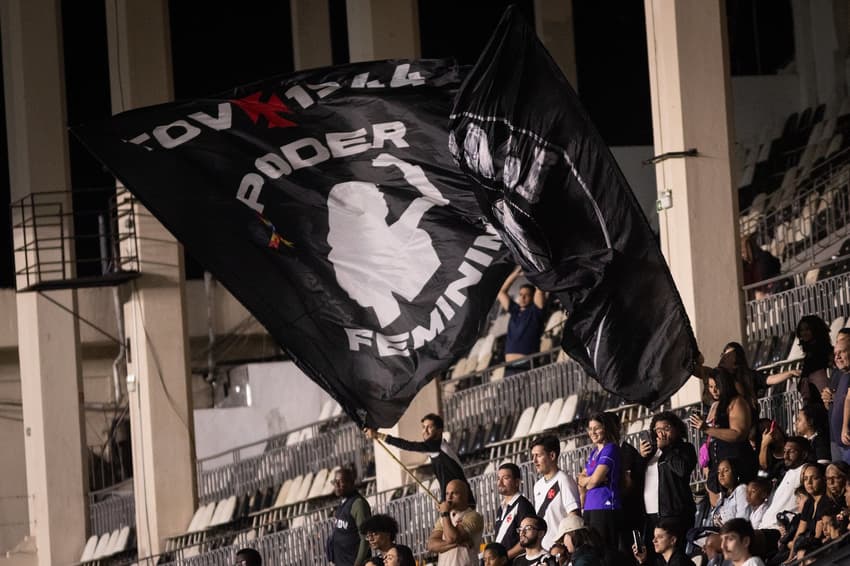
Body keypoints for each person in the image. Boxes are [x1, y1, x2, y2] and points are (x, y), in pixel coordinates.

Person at [690, 367, 757, 507]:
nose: (713, 391)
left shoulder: (736, 402)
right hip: (715, 467)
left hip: (735, 464)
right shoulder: (714, 405)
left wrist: (707, 429)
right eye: (710, 386)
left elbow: (739, 433)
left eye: (717, 387)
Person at [364, 413, 467, 501]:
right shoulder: (439, 445)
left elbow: (408, 445)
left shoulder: (436, 446)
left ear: (439, 431)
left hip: (460, 500)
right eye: (423, 427)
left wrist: (378, 435)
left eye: (430, 427)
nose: (425, 431)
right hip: (454, 497)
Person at [640, 412, 697, 541]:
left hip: (674, 513)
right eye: (658, 430)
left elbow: (682, 470)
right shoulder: (652, 453)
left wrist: (666, 449)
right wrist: (641, 458)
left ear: (676, 429)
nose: (662, 433)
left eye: (666, 428)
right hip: (650, 514)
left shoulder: (685, 448)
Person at [577, 412, 621, 546]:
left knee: (604, 551)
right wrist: (588, 481)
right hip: (590, 507)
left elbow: (594, 481)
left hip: (605, 506)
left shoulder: (611, 449)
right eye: (590, 429)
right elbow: (581, 479)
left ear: (606, 428)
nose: (593, 432)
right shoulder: (594, 452)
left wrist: (588, 481)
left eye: (597, 428)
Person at [530, 435, 581, 551]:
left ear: (552, 456)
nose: (534, 461)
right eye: (533, 456)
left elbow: (574, 517)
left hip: (560, 551)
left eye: (538, 455)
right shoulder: (537, 485)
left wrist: (565, 547)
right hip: (543, 550)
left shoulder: (564, 480)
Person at [498, 266, 546, 372]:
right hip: (510, 366)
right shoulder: (515, 310)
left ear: (532, 297)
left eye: (526, 295)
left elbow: (540, 290)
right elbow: (501, 293)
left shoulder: (535, 310)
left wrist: (532, 272)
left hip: (528, 365)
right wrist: (514, 275)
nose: (522, 298)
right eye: (521, 294)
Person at [426, 479, 483, 565]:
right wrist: (457, 543)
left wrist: (445, 513)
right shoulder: (443, 519)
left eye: (454, 493)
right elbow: (431, 545)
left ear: (465, 496)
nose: (449, 498)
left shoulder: (473, 516)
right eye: (447, 493)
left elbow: (452, 538)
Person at [758, 436, 811, 530]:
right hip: (764, 526)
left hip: (779, 529)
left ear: (804, 454)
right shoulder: (786, 472)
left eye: (791, 452)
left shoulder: (805, 470)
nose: (785, 456)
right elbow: (763, 467)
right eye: (785, 451)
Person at [327, 467, 371, 566]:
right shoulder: (342, 503)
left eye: (340, 482)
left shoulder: (358, 504)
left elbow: (365, 538)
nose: (336, 485)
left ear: (351, 483)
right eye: (335, 481)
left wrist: (358, 563)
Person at [494, 462, 536, 560]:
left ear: (517, 482)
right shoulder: (501, 508)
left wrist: (505, 557)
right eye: (498, 479)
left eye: (505, 478)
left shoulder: (523, 505)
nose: (500, 483)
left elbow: (528, 538)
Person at [824, 330, 850, 462]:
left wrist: (845, 427)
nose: (837, 357)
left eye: (842, 352)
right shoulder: (841, 374)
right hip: (839, 442)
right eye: (835, 354)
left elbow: (848, 400)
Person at [710, 459, 749, 526]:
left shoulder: (741, 490)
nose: (721, 475)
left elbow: (742, 520)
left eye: (726, 471)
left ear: (735, 472)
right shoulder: (722, 496)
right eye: (719, 472)